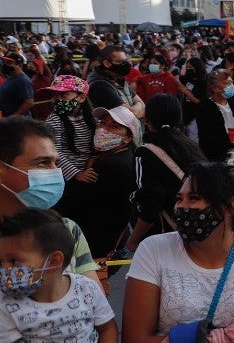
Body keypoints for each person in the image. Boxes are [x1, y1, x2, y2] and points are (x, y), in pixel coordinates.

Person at [122, 160, 234, 341]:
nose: (182, 206)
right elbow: (134, 339)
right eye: (179, 199)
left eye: (194, 198)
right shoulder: (153, 250)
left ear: (229, 207)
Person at [0, 116, 100, 282]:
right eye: (42, 162)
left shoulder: (67, 230)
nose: (55, 172)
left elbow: (93, 295)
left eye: (55, 163)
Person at [0, 208, 117, 342]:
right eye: (1, 262)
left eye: (14, 261)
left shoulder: (87, 289)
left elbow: (108, 328)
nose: (4, 269)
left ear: (53, 261)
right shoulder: (6, 304)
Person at [126, 94, 206, 252]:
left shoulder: (144, 153)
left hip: (162, 237)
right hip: (195, 231)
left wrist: (133, 241)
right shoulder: (189, 146)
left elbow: (150, 204)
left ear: (146, 118)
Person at [57, 105, 140, 257]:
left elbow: (72, 202)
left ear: (128, 138)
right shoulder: (123, 156)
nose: (103, 129)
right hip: (105, 243)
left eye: (114, 126)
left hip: (95, 250)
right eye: (102, 122)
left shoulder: (112, 165)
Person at [42, 75, 96, 183]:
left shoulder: (94, 118)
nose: (57, 100)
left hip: (89, 170)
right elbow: (54, 151)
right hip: (64, 175)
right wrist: (76, 174)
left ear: (82, 97)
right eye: (54, 95)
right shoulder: (54, 119)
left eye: (63, 95)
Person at [196, 68, 234, 161]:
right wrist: (230, 148)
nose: (231, 86)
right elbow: (208, 139)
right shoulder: (206, 109)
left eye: (231, 82)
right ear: (214, 88)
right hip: (218, 159)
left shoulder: (233, 104)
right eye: (227, 83)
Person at [86, 45, 144, 119]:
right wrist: (138, 106)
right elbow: (130, 115)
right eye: (120, 62)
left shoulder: (118, 79)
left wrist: (138, 106)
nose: (126, 64)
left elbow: (143, 106)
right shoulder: (99, 85)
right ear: (107, 63)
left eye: (125, 61)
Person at [0, 52, 34, 118]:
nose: (5, 65)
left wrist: (13, 117)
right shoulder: (10, 77)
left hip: (18, 122)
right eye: (5, 62)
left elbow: (29, 103)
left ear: (19, 65)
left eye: (9, 63)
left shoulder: (23, 81)